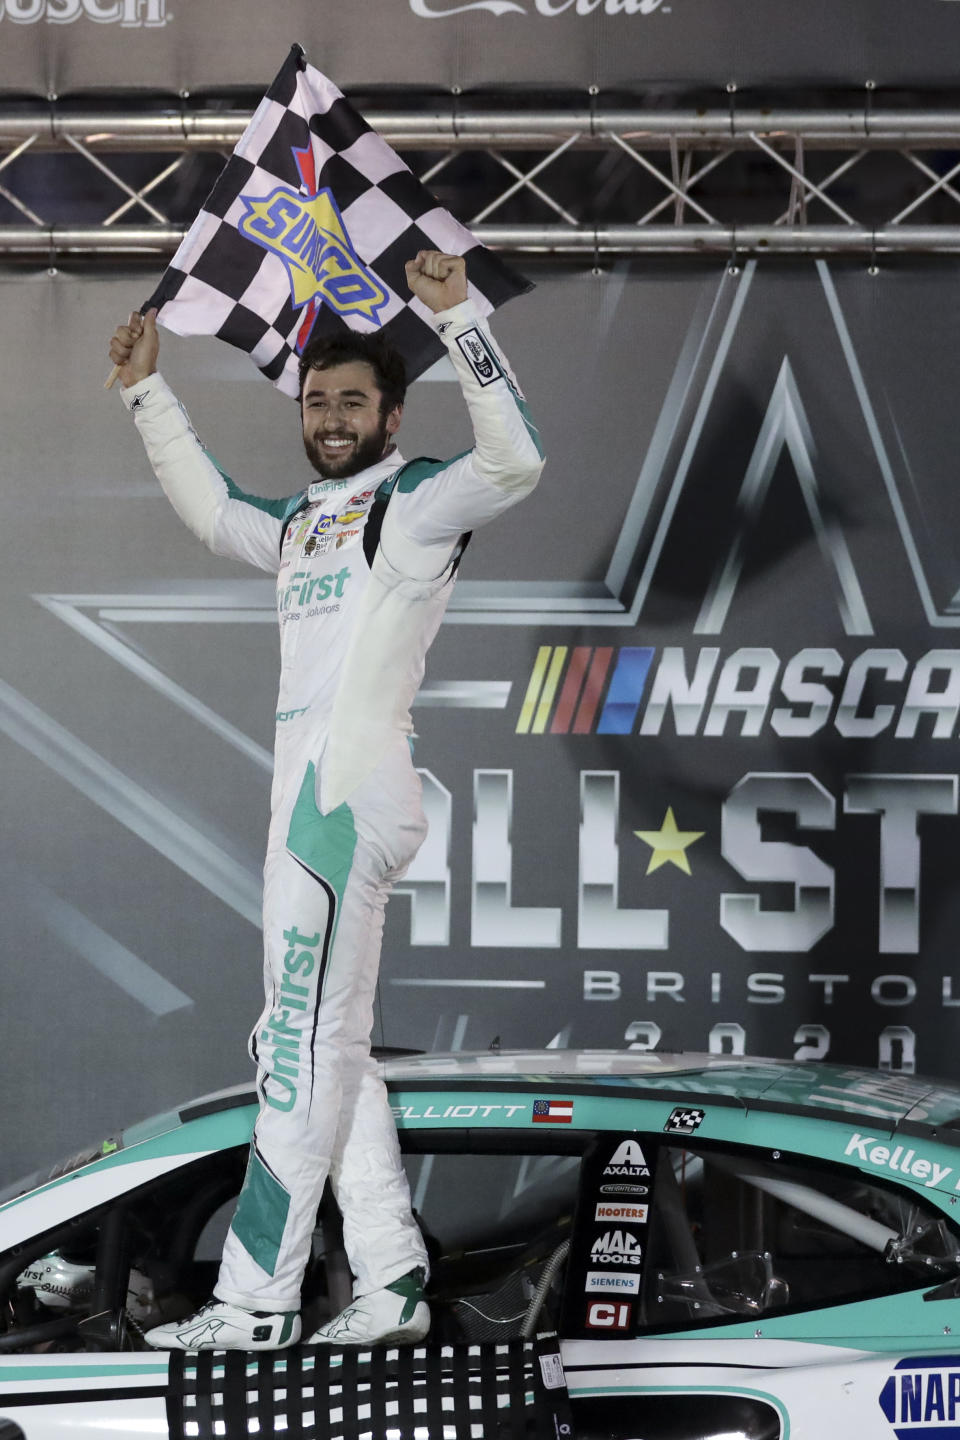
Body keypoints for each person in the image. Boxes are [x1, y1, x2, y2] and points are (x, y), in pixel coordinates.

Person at [108, 251, 544, 1351]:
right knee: (317, 1046)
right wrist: (147, 392)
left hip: (342, 802)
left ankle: (254, 1303)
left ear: (393, 413)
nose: (333, 415)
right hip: (314, 801)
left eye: (354, 400)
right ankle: (393, 1282)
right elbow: (212, 513)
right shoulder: (304, 520)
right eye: (318, 401)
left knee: (298, 1047)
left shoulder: (411, 503)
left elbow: (518, 461)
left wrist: (459, 320)